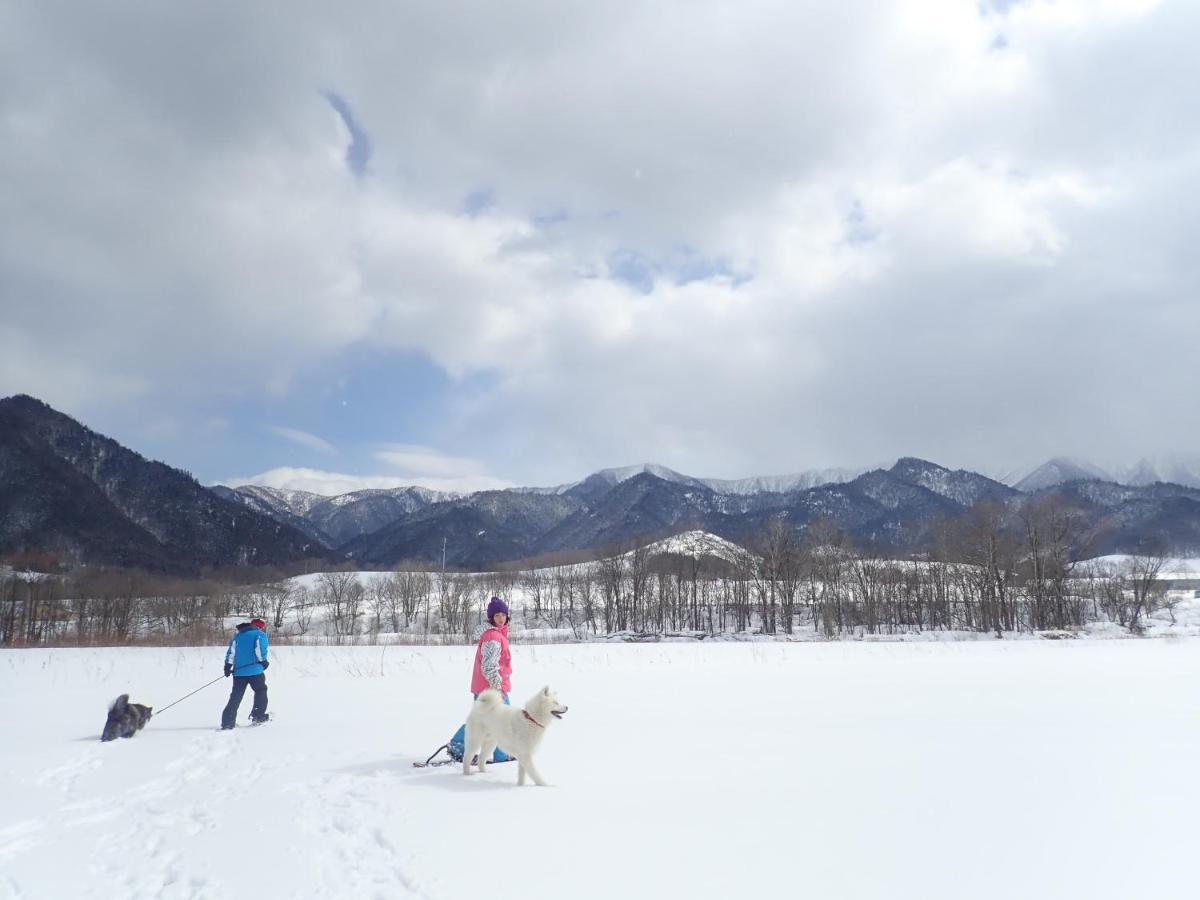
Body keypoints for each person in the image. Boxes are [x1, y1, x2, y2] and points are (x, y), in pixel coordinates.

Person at [448, 597, 513, 762]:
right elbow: (489, 666)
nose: (501, 618)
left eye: (503, 614)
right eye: (497, 615)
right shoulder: (493, 637)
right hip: (491, 689)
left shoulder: (496, 635)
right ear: (491, 617)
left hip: (489, 687)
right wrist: (497, 688)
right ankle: (457, 745)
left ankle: (501, 754)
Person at [221, 617, 270, 729]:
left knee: (236, 696)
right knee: (260, 691)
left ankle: (227, 722)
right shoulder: (259, 635)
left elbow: (231, 653)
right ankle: (258, 716)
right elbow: (259, 650)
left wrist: (228, 666)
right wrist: (264, 661)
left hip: (239, 673)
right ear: (259, 627)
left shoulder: (237, 637)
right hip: (255, 671)